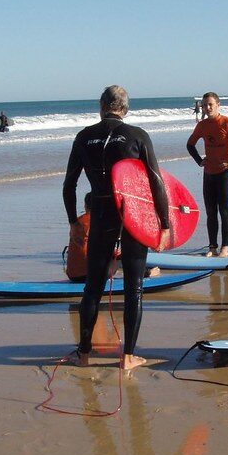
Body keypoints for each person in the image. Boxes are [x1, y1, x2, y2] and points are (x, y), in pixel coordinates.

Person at [63, 85, 171, 371]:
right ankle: (128, 357)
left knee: (93, 287)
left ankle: (83, 354)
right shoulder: (138, 136)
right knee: (134, 287)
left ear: (101, 105)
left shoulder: (84, 137)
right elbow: (157, 181)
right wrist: (165, 223)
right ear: (126, 108)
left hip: (99, 212)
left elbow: (69, 184)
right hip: (132, 214)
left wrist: (73, 221)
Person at [186, 92, 228, 258]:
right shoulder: (202, 126)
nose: (207, 108)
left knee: (224, 210)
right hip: (208, 173)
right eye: (204, 105)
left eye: (210, 105)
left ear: (218, 105)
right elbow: (190, 145)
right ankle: (212, 246)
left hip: (224, 174)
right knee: (210, 211)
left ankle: (225, 248)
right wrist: (199, 161)